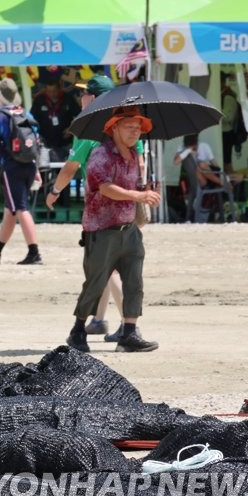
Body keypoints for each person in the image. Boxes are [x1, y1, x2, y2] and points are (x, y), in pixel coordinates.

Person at [46, 74, 142, 342]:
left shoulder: (88, 130)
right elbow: (139, 166)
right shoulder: (129, 127)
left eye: (85, 93)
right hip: (127, 208)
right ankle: (100, 321)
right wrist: (139, 197)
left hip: (102, 211)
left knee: (105, 268)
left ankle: (125, 326)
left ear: (95, 98)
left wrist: (54, 191)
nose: (81, 97)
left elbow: (71, 167)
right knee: (118, 267)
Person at [66, 105, 162, 354]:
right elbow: (104, 188)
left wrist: (145, 190)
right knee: (95, 283)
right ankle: (78, 330)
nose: (135, 131)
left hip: (128, 228)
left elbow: (131, 190)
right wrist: (138, 195)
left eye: (139, 128)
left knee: (134, 281)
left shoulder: (132, 156)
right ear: (114, 128)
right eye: (129, 126)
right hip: (101, 229)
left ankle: (129, 332)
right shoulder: (101, 155)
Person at [0, 77, 43, 265]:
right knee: (10, 210)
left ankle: (34, 252)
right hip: (28, 164)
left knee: (20, 208)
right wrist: (36, 169)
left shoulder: (0, 116)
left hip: (12, 166)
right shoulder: (24, 113)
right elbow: (35, 142)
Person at [30, 74, 81, 163]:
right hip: (46, 143)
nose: (52, 94)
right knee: (47, 169)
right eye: (49, 91)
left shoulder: (68, 99)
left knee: (67, 169)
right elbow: (32, 119)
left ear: (59, 89)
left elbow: (79, 117)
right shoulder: (39, 100)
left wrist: (71, 129)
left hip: (66, 142)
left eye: (54, 91)